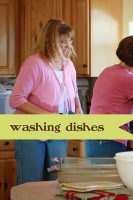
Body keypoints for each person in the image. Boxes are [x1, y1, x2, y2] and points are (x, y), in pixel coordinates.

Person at [9, 19, 83, 185]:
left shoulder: (69, 65)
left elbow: (75, 92)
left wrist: (78, 108)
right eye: (63, 41)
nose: (68, 45)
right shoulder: (34, 63)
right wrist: (49, 116)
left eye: (70, 41)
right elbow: (16, 99)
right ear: (50, 41)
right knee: (30, 182)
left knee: (56, 183)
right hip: (30, 131)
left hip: (57, 130)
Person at [84, 35, 133, 157]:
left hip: (91, 138)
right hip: (109, 140)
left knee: (96, 176)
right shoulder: (130, 79)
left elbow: (110, 107)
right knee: (113, 177)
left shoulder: (107, 71)